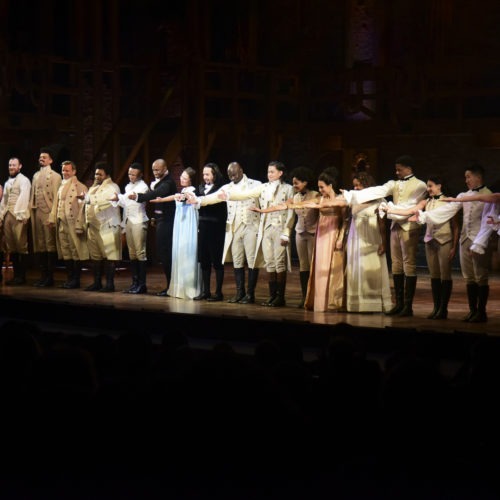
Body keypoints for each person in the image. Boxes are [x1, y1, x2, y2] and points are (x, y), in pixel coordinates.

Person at [335, 155, 427, 317]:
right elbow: (378, 190)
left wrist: (390, 209)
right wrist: (352, 195)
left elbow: (410, 206)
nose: (396, 172)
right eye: (396, 169)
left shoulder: (420, 185)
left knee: (409, 265)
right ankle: (399, 304)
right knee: (397, 265)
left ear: (409, 169)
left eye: (399, 169)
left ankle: (408, 305)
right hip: (395, 226)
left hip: (408, 226)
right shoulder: (394, 183)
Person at [414, 165, 492, 322]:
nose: (466, 180)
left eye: (468, 177)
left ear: (478, 177)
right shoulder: (463, 195)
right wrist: (424, 216)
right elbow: (448, 210)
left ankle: (481, 312)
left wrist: (481, 241)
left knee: (480, 277)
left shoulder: (489, 195)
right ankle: (473, 311)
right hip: (465, 239)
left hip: (480, 240)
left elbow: (488, 220)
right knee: (469, 277)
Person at [384, 175, 459, 319]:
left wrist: (454, 246)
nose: (428, 189)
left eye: (430, 186)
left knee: (445, 275)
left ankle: (443, 309)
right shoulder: (426, 201)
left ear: (439, 186)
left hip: (444, 240)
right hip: (430, 242)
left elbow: (455, 226)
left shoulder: (449, 201)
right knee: (434, 276)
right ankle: (436, 308)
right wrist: (390, 210)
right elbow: (410, 211)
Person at [220, 160, 294, 307]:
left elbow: (291, 212)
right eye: (268, 172)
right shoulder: (264, 187)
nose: (269, 174)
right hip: (265, 228)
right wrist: (229, 196)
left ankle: (280, 297)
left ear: (280, 173)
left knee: (280, 263)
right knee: (270, 263)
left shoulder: (288, 188)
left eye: (272, 172)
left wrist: (286, 232)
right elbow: (245, 194)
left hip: (279, 228)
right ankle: (273, 295)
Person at [189, 161, 262, 304]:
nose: (232, 177)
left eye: (234, 173)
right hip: (234, 228)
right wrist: (197, 200)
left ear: (241, 170)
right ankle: (239, 293)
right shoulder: (227, 187)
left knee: (252, 260)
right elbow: (212, 198)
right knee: (237, 260)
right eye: (229, 174)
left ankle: (250, 294)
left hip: (250, 226)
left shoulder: (255, 184)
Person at [343, 171, 392, 313]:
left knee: (371, 269)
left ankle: (373, 304)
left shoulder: (379, 201)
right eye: (354, 186)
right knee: (356, 269)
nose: (356, 188)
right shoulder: (353, 200)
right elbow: (348, 220)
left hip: (372, 238)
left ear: (367, 184)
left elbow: (382, 224)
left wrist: (384, 242)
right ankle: (356, 304)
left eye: (358, 185)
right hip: (355, 238)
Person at [151, 167, 201, 299]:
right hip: (180, 227)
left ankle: (189, 288)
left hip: (188, 227)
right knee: (178, 254)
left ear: (191, 180)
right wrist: (161, 200)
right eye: (181, 177)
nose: (181, 180)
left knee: (186, 254)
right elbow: (175, 196)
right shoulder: (183, 191)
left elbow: (184, 198)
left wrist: (181, 197)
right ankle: (179, 288)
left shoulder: (193, 192)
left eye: (185, 178)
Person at [129, 159, 177, 297]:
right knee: (162, 254)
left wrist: (139, 196)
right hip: (161, 221)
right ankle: (169, 287)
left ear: (165, 168)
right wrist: (154, 218)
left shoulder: (168, 182)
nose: (155, 172)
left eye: (158, 170)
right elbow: (158, 204)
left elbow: (157, 193)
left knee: (166, 255)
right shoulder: (159, 181)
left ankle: (170, 287)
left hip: (168, 222)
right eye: (154, 170)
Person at [47, 160, 89, 289]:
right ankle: (70, 278)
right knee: (65, 251)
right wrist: (52, 218)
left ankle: (75, 280)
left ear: (74, 171)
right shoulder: (60, 186)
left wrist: (79, 224)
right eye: (63, 170)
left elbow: (83, 209)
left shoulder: (80, 186)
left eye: (67, 170)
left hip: (72, 222)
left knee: (74, 250)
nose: (65, 173)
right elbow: (56, 203)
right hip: (61, 222)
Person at [110, 162, 149, 294]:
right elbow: (125, 203)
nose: (131, 176)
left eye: (133, 174)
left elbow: (132, 200)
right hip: (128, 220)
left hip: (138, 220)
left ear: (140, 174)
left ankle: (142, 285)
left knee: (140, 252)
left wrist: (120, 198)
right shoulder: (127, 186)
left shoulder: (143, 187)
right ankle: (134, 283)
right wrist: (117, 199)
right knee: (132, 253)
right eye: (129, 174)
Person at [82, 161, 121, 292]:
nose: (97, 176)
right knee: (95, 256)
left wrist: (88, 199)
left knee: (109, 255)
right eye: (96, 174)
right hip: (92, 226)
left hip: (106, 226)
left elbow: (106, 200)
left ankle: (110, 284)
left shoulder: (112, 187)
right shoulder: (93, 187)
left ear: (107, 175)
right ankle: (97, 282)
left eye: (100, 174)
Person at [192, 162, 227, 302]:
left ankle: (218, 293)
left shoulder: (221, 188)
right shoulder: (200, 188)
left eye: (208, 174)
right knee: (204, 260)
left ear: (214, 174)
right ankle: (206, 291)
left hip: (216, 228)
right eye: (204, 174)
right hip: (203, 227)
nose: (205, 177)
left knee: (217, 261)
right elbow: (190, 197)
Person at [30, 146, 62, 287]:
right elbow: (33, 195)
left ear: (50, 160)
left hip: (48, 211)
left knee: (49, 243)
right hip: (37, 211)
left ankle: (50, 277)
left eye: (44, 157)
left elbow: (56, 198)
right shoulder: (36, 175)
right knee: (40, 243)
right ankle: (43, 276)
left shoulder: (55, 176)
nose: (41, 159)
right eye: (40, 157)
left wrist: (52, 215)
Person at [288, 166, 319, 308]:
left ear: (305, 182)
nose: (294, 186)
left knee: (313, 265)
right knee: (303, 265)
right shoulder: (295, 197)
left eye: (296, 183)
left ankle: (314, 296)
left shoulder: (315, 195)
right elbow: (293, 216)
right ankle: (304, 296)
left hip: (313, 233)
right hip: (300, 233)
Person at [0, 157, 31, 285]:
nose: (11, 167)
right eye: (10, 165)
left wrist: (21, 214)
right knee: (11, 246)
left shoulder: (24, 180)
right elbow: (4, 201)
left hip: (18, 215)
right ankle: (16, 276)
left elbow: (24, 197)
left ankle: (21, 276)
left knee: (21, 245)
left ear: (20, 166)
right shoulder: (7, 182)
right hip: (8, 215)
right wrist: (1, 216)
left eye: (14, 165)